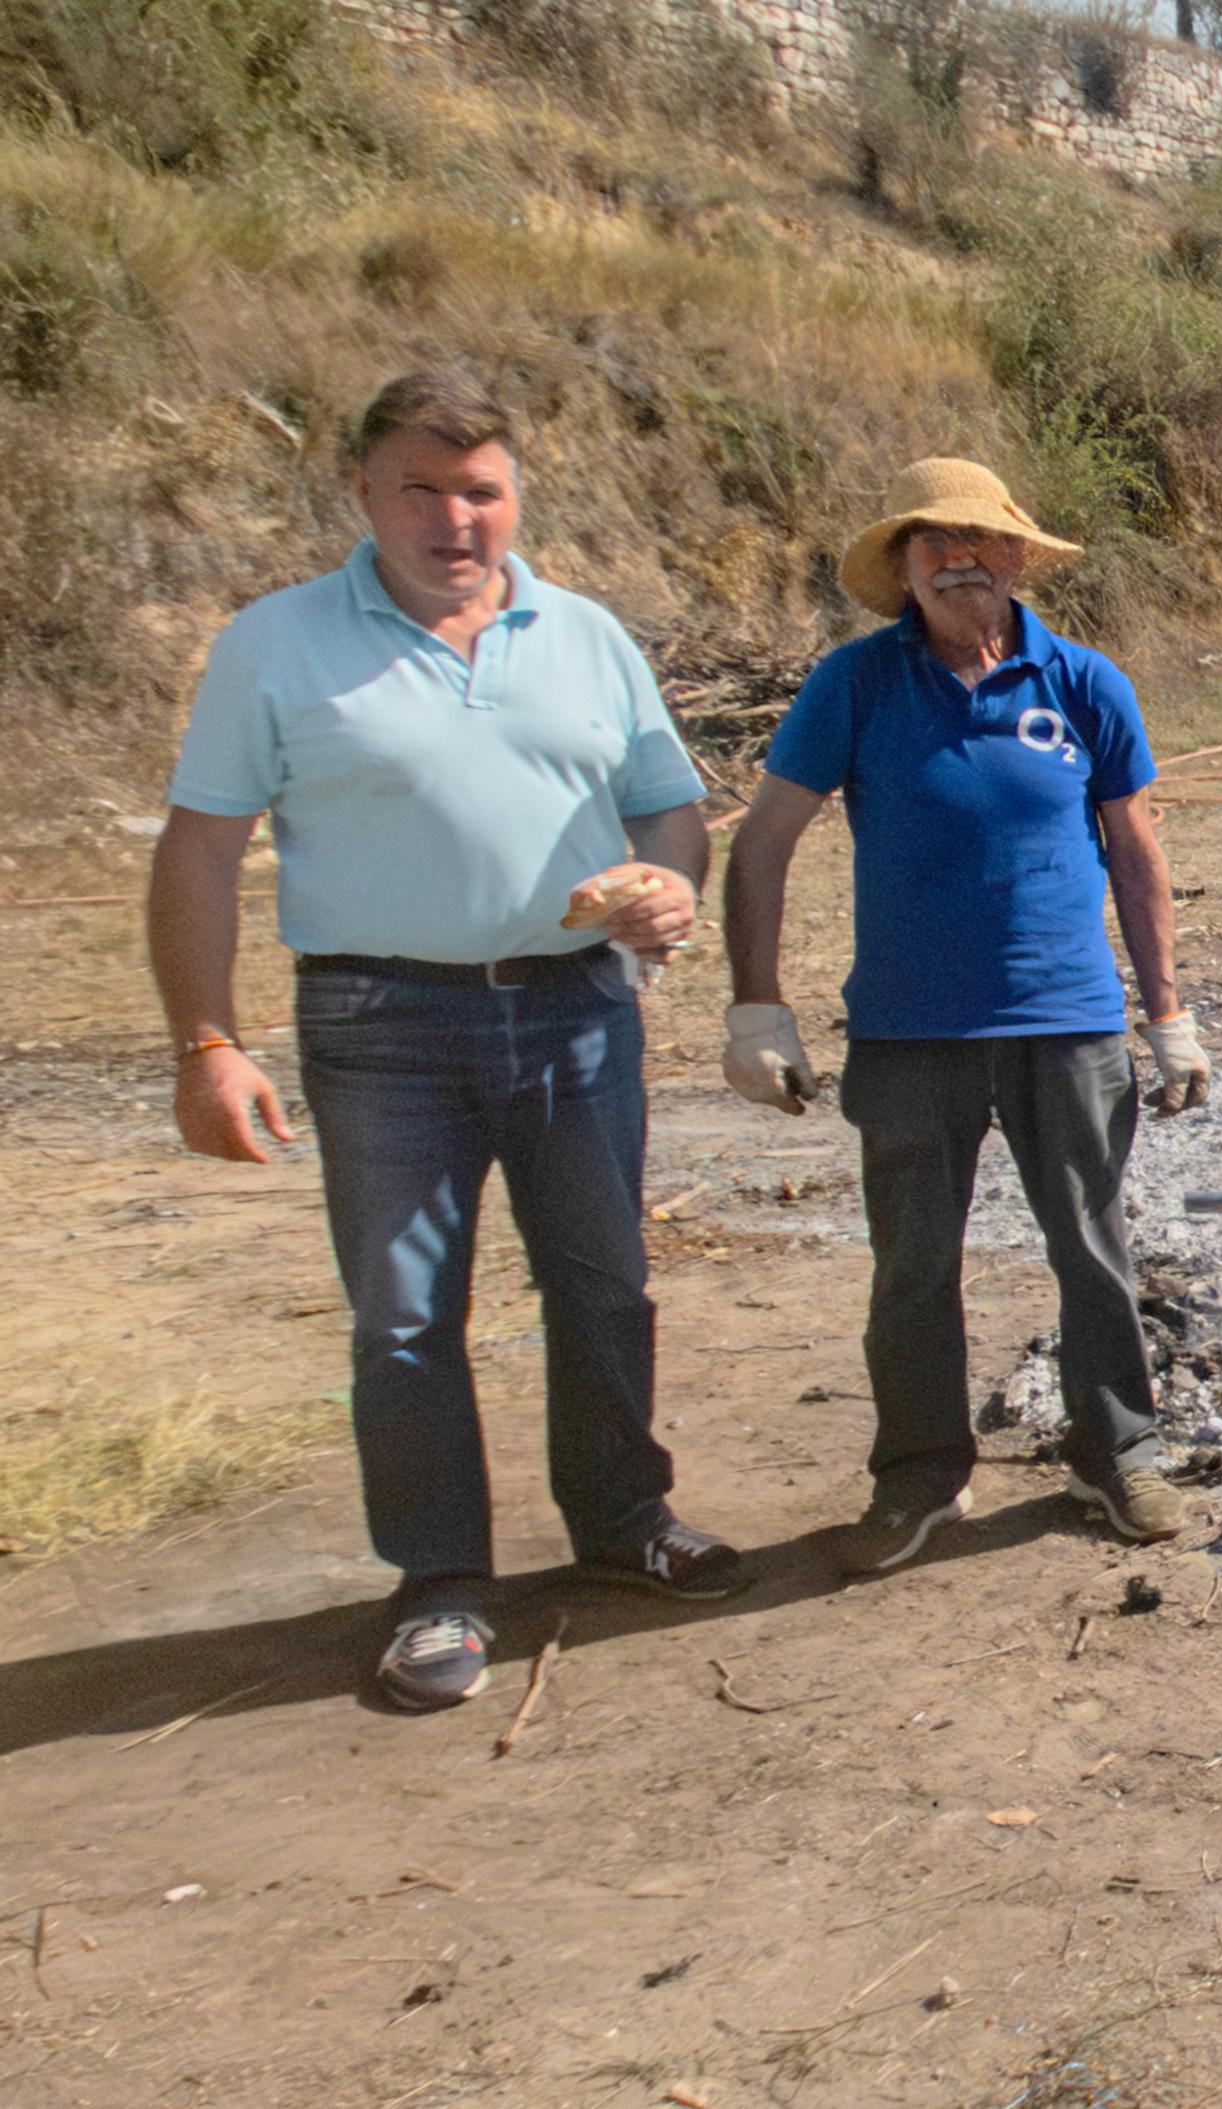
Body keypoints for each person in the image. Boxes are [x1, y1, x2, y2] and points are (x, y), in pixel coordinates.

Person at [148, 369, 749, 1713]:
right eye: (420, 488)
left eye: (478, 489)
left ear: (514, 496)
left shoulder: (584, 633)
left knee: (603, 1281)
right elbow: (200, 846)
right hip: (382, 1018)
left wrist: (669, 886)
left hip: (575, 1006)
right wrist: (206, 1041)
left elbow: (665, 807)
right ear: (362, 493)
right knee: (408, 1314)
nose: (452, 517)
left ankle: (623, 1521)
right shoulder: (281, 643)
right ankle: (437, 1582)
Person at [719, 458, 1211, 1575]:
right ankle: (919, 1478)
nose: (958, 560)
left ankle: (1114, 1448)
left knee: (1091, 1248)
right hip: (908, 1031)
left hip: (1068, 1023)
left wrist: (1167, 1014)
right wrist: (756, 1006)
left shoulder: (1085, 684)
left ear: (1021, 559)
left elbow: (1136, 853)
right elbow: (760, 843)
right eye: (931, 543)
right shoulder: (854, 686)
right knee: (911, 1266)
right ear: (900, 566)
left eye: (981, 542)